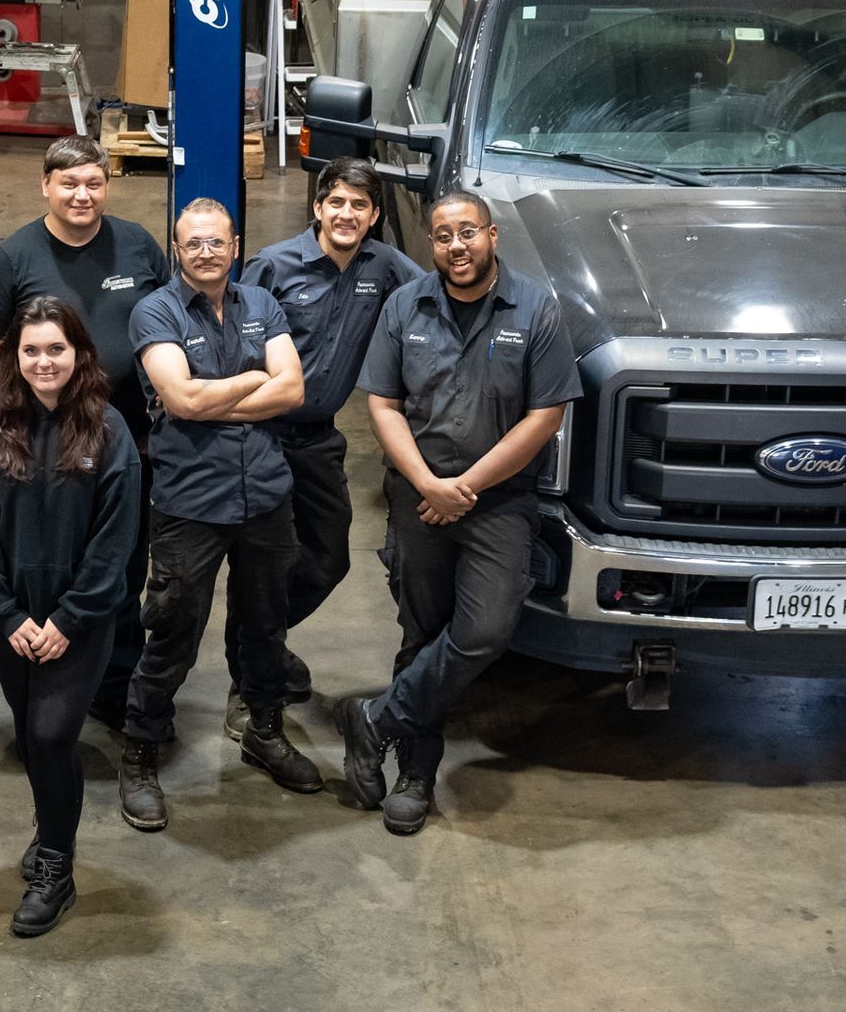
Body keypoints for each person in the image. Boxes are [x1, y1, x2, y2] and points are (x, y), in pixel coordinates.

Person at [333, 189, 583, 835]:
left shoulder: (535, 308)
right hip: (418, 496)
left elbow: (546, 414)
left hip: (498, 500)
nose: (455, 246)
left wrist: (465, 486)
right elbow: (383, 404)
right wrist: (426, 482)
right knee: (422, 631)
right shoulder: (404, 305)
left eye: (467, 232)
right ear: (433, 245)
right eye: (442, 236)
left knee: (484, 631)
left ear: (492, 235)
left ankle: (378, 720)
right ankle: (415, 776)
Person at [117, 198, 320, 831]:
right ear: (177, 251)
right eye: (192, 243)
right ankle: (141, 752)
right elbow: (177, 396)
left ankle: (263, 731)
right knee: (173, 632)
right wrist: (248, 382)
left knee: (265, 628)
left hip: (265, 496)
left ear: (236, 246)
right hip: (190, 505)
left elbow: (294, 389)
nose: (205, 252)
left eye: (216, 242)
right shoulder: (156, 311)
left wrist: (210, 400)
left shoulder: (262, 304)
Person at [0, 134, 168, 729]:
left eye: (94, 182)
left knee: (125, 565)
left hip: (129, 445)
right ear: (46, 186)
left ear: (108, 185)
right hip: (47, 450)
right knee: (59, 561)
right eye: (69, 183)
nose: (83, 194)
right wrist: (18, 427)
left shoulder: (136, 245)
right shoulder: (15, 257)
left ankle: (114, 685)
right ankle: (53, 673)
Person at [0, 296, 141, 937]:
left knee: (54, 734)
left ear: (79, 353)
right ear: (14, 358)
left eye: (55, 348)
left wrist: (69, 618)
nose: (43, 362)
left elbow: (116, 543)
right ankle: (51, 826)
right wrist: (6, 618)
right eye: (30, 350)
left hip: (79, 621)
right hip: (6, 619)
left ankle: (56, 866)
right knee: (31, 729)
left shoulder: (110, 432)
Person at [221, 159, 424, 738]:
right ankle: (250, 684)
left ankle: (261, 642)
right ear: (317, 207)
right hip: (258, 437)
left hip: (318, 440)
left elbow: (435, 299)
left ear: (375, 215)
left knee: (329, 559)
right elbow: (233, 339)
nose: (346, 214)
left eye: (359, 206)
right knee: (262, 566)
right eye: (336, 202)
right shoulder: (274, 266)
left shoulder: (383, 267)